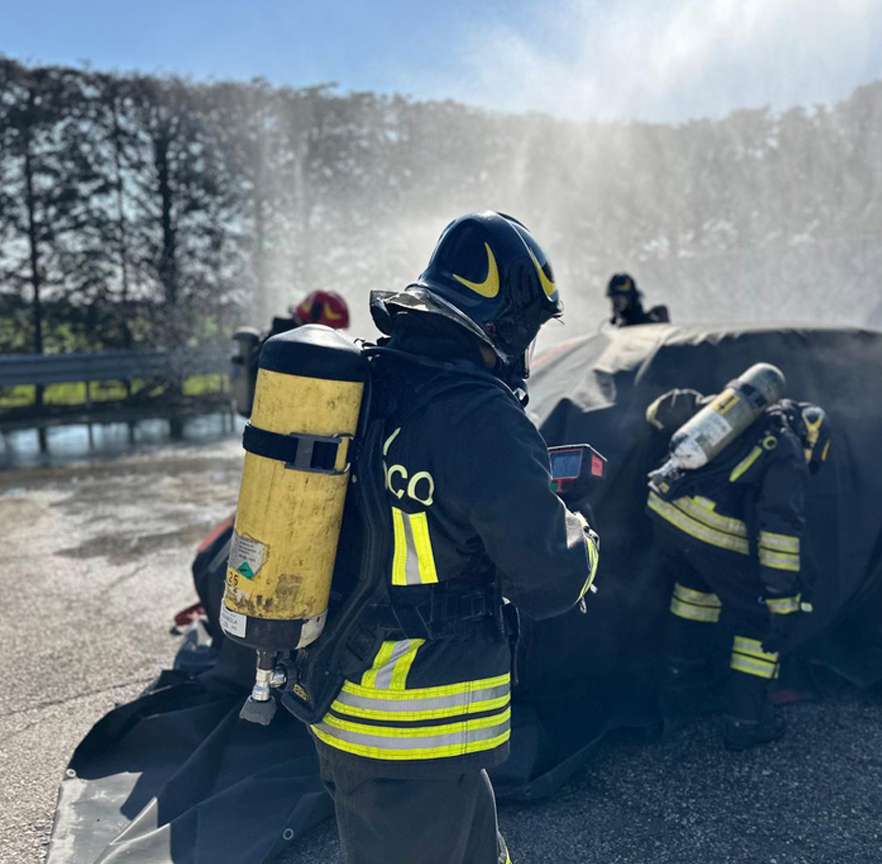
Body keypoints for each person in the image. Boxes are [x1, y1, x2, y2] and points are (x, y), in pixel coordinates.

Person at [311, 211, 600, 864]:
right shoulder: (479, 416)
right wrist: (579, 532)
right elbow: (548, 580)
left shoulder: (372, 383)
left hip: (348, 702)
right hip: (413, 732)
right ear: (508, 325)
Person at [642, 380, 830, 750]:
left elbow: (660, 412)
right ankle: (747, 724)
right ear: (812, 439)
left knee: (695, 597)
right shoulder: (788, 449)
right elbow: (779, 530)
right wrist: (779, 597)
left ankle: (680, 702)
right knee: (758, 625)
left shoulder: (730, 413)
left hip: (663, 513)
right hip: (709, 533)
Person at [231, 289, 351, 417]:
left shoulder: (283, 339)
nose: (335, 337)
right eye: (333, 330)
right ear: (316, 324)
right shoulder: (287, 345)